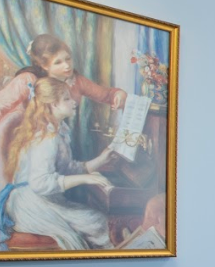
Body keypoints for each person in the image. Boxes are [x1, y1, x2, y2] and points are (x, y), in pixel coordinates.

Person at [0, 76, 115, 250]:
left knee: (96, 221)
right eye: (67, 99)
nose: (74, 102)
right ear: (53, 104)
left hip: (40, 198)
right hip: (30, 204)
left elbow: (67, 169)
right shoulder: (46, 137)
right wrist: (85, 179)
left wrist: (100, 160)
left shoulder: (58, 131)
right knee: (95, 222)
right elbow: (40, 183)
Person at [0, 33, 126, 174]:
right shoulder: (27, 79)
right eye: (58, 62)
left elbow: (106, 95)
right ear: (44, 65)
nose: (67, 66)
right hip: (20, 141)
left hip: (52, 142)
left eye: (68, 59)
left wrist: (118, 94)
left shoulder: (75, 81)